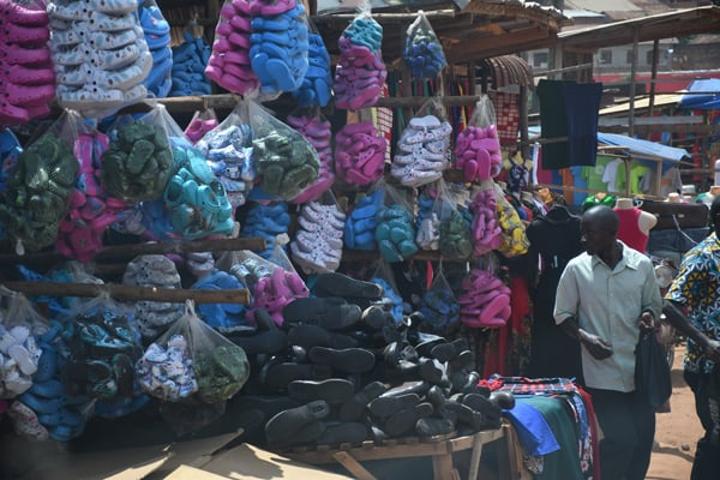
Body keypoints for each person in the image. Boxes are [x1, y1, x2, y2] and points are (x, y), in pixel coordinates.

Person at [554, 205, 663, 480]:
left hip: (640, 368)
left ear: (612, 233)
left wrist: (648, 316)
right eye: (583, 233)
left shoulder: (642, 265)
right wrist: (585, 338)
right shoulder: (576, 269)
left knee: (642, 443)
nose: (583, 239)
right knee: (622, 439)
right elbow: (562, 316)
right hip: (601, 372)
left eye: (590, 233)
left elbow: (653, 305)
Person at [663, 195, 720, 480]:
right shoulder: (703, 256)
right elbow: (670, 304)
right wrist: (705, 342)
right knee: (716, 436)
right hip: (710, 368)